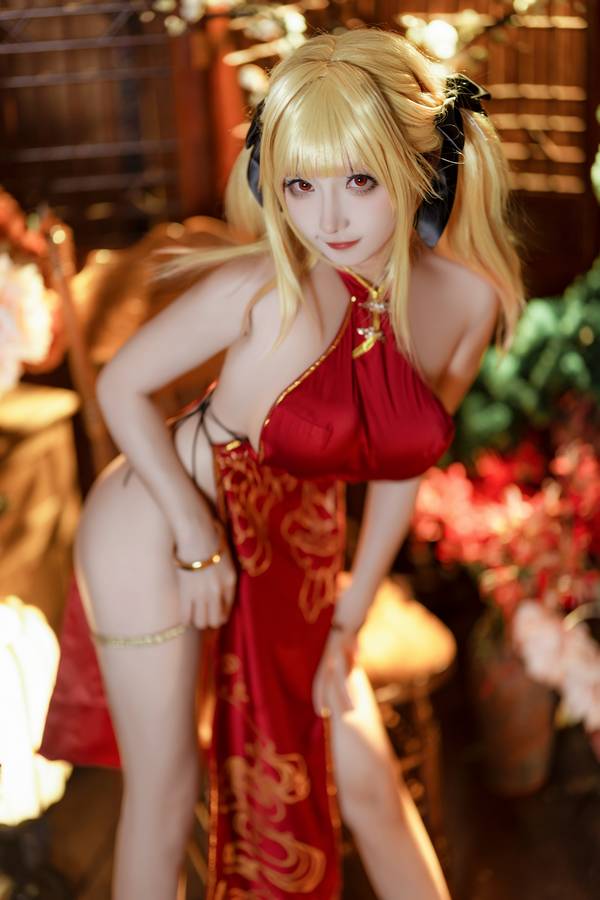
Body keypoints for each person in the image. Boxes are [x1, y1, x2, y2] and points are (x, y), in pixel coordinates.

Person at [41, 26, 524, 900]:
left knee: (369, 782)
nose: (327, 220)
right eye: (301, 185)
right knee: (167, 790)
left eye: (360, 182)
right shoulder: (268, 289)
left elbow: (403, 463)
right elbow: (121, 388)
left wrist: (350, 615)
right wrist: (197, 539)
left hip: (295, 546)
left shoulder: (469, 301)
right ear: (272, 181)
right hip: (158, 522)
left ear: (421, 166)